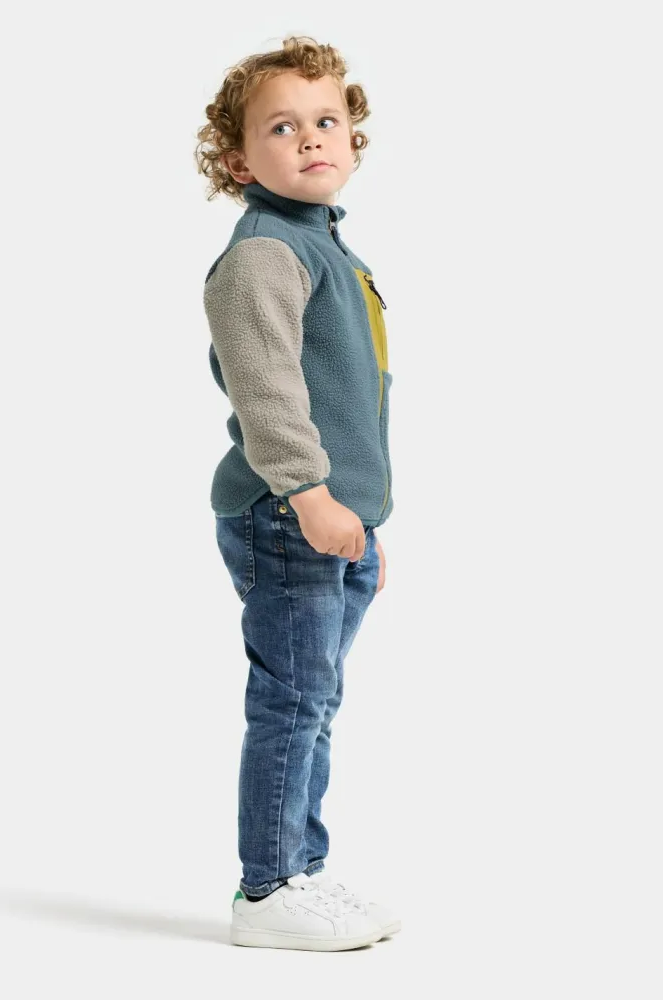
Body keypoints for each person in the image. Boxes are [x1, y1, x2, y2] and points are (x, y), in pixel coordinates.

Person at [196, 35, 400, 952]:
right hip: (288, 513)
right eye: (282, 127)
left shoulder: (326, 248)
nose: (311, 138)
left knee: (315, 701)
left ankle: (300, 870)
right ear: (239, 162)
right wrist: (311, 496)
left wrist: (362, 521)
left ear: (352, 138)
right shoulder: (264, 255)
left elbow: (352, 401)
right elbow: (268, 389)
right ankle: (269, 886)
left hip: (329, 520)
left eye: (326, 120)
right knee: (292, 702)